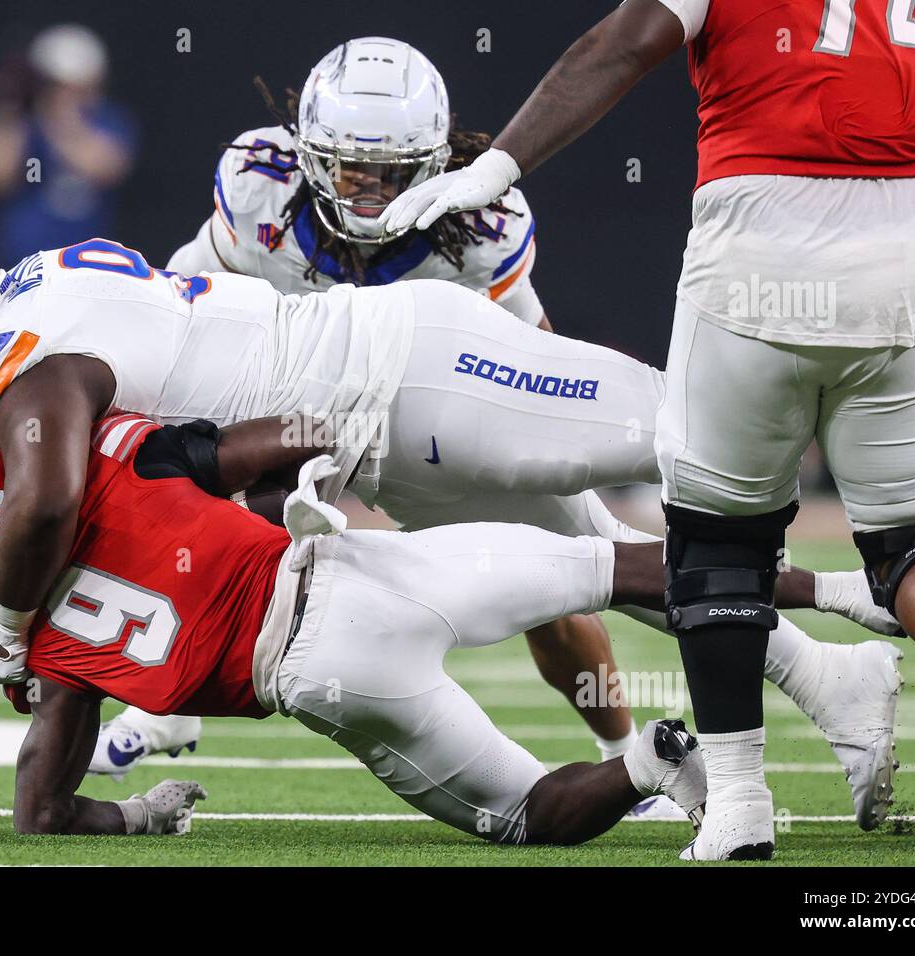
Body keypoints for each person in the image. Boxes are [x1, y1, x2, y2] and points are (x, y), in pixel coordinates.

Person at [381, 0, 915, 857]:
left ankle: (738, 800)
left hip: (759, 249)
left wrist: (502, 164)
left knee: (718, 545)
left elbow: (623, 43)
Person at [0, 411, 898, 844]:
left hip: (326, 675)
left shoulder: (47, 653)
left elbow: (37, 811)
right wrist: (295, 474)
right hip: (347, 565)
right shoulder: (122, 460)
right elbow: (298, 432)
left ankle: (647, 761)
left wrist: (134, 812)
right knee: (617, 563)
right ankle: (843, 591)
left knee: (525, 816)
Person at [167, 35, 662, 809]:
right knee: (170, 499)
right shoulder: (259, 190)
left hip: (430, 424)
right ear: (307, 155)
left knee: (558, 582)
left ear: (433, 166)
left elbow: (533, 349)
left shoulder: (476, 227)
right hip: (290, 403)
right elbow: (190, 291)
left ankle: (622, 753)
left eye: (391, 174)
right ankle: (158, 705)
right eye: (348, 167)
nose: (366, 190)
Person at [0, 24, 139, 265]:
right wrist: (7, 110)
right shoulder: (22, 121)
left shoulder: (108, 120)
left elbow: (104, 168)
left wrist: (62, 120)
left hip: (88, 263)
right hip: (19, 260)